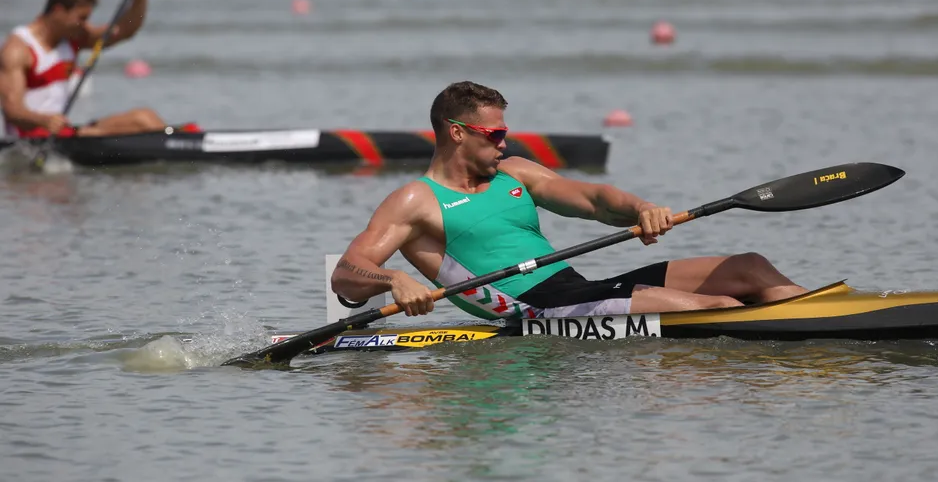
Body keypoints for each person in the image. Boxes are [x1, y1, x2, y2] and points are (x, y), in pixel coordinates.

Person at [332, 81, 809, 320]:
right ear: (457, 133)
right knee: (717, 305)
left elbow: (595, 200)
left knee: (749, 266)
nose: (503, 143)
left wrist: (642, 208)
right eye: (494, 133)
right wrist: (394, 278)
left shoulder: (515, 172)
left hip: (580, 287)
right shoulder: (416, 200)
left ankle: (823, 320)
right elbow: (346, 278)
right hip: (537, 311)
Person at [0, 0, 169, 139]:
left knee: (145, 118)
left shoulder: (74, 37)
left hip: (63, 132)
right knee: (119, 129)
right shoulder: (17, 50)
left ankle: (181, 143)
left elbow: (125, 30)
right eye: (81, 18)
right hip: (32, 138)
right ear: (58, 11)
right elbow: (12, 111)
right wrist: (44, 120)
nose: (85, 24)